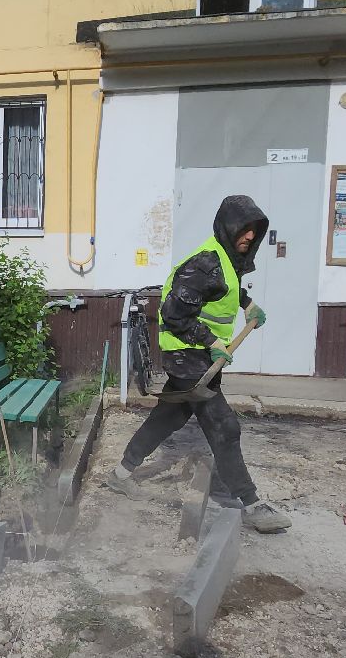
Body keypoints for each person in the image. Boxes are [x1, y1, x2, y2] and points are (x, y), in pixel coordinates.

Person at [103, 195, 292, 534]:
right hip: (185, 355)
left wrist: (247, 306)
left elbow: (223, 291)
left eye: (254, 232)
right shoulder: (204, 263)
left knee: (167, 418)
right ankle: (251, 504)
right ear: (227, 227)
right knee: (223, 426)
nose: (248, 237)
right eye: (243, 230)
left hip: (200, 356)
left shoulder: (228, 261)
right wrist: (212, 341)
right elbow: (173, 314)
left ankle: (120, 474)